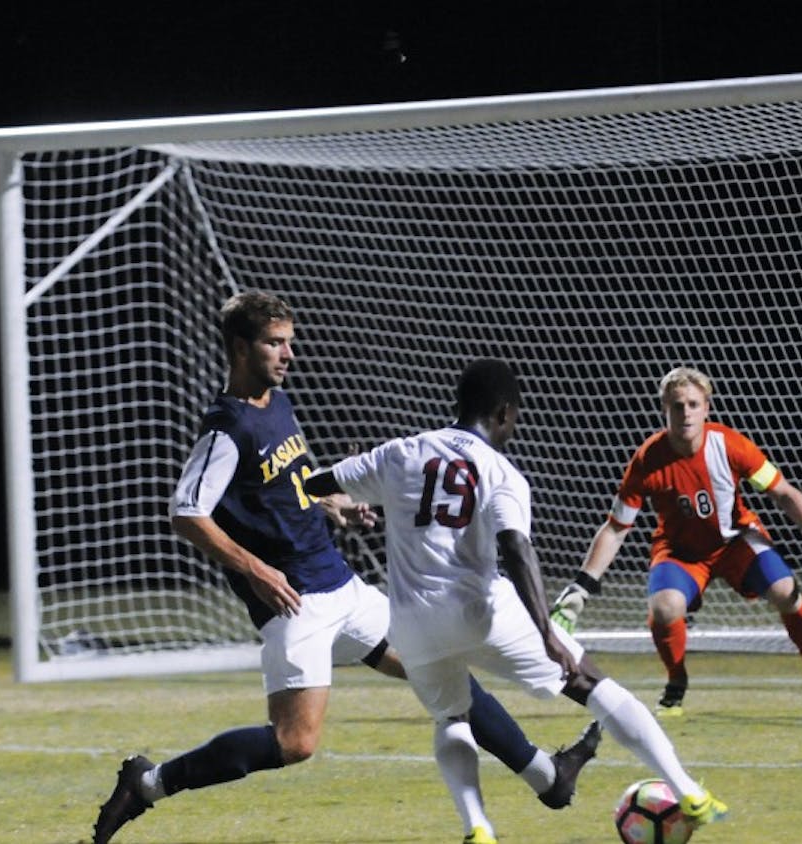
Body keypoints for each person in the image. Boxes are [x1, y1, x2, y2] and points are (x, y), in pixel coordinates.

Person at [93, 293, 599, 844]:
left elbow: (290, 482)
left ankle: (548, 777)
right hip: (296, 602)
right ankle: (147, 783)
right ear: (240, 348)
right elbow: (187, 513)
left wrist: (335, 505)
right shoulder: (226, 429)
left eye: (289, 342)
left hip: (343, 585)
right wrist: (256, 570)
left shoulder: (277, 404)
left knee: (441, 668)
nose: (288, 354)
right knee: (294, 743)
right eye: (274, 343)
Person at [304, 359, 729, 844]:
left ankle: (478, 827)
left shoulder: (401, 451)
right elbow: (515, 546)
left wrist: (345, 496)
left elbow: (317, 483)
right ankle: (687, 790)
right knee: (590, 682)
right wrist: (547, 631)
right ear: (504, 412)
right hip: (481, 610)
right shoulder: (501, 471)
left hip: (412, 622)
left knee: (451, 717)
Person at [548, 366, 802, 716]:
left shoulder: (730, 445)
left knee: (786, 590)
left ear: (706, 408)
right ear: (664, 409)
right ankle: (676, 681)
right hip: (680, 552)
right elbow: (616, 528)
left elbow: (783, 492)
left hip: (735, 542)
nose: (686, 413)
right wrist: (582, 585)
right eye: (677, 405)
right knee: (664, 607)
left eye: (693, 404)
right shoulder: (647, 459)